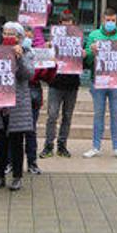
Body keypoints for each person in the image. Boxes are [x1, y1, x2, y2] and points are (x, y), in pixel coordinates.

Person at [83, 7, 117, 159]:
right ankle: (95, 147)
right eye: (108, 20)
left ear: (116, 21)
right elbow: (87, 59)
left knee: (116, 114)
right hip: (98, 81)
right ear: (102, 20)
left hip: (116, 82)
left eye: (113, 20)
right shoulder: (93, 35)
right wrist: (91, 51)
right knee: (98, 114)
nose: (110, 22)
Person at [0, 22, 33, 191]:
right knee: (0, 140)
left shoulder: (26, 52)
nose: (8, 36)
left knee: (16, 141)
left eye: (12, 33)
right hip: (0, 104)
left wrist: (19, 57)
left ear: (20, 37)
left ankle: (17, 177)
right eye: (5, 32)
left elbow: (28, 74)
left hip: (17, 104)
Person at [41, 12, 81, 159]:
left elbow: (86, 56)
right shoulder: (52, 41)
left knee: (67, 116)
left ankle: (62, 145)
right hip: (55, 82)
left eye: (69, 24)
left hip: (72, 83)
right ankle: (48, 145)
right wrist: (47, 49)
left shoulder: (78, 39)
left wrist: (84, 53)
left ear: (73, 25)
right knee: (52, 115)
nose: (66, 27)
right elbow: (43, 59)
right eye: (64, 24)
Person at [24, 25, 54, 174]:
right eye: (24, 37)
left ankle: (32, 162)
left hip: (33, 93)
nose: (27, 40)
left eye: (30, 37)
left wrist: (52, 64)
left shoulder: (38, 53)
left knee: (31, 130)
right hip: (17, 93)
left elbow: (47, 77)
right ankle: (10, 162)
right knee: (13, 131)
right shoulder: (12, 51)